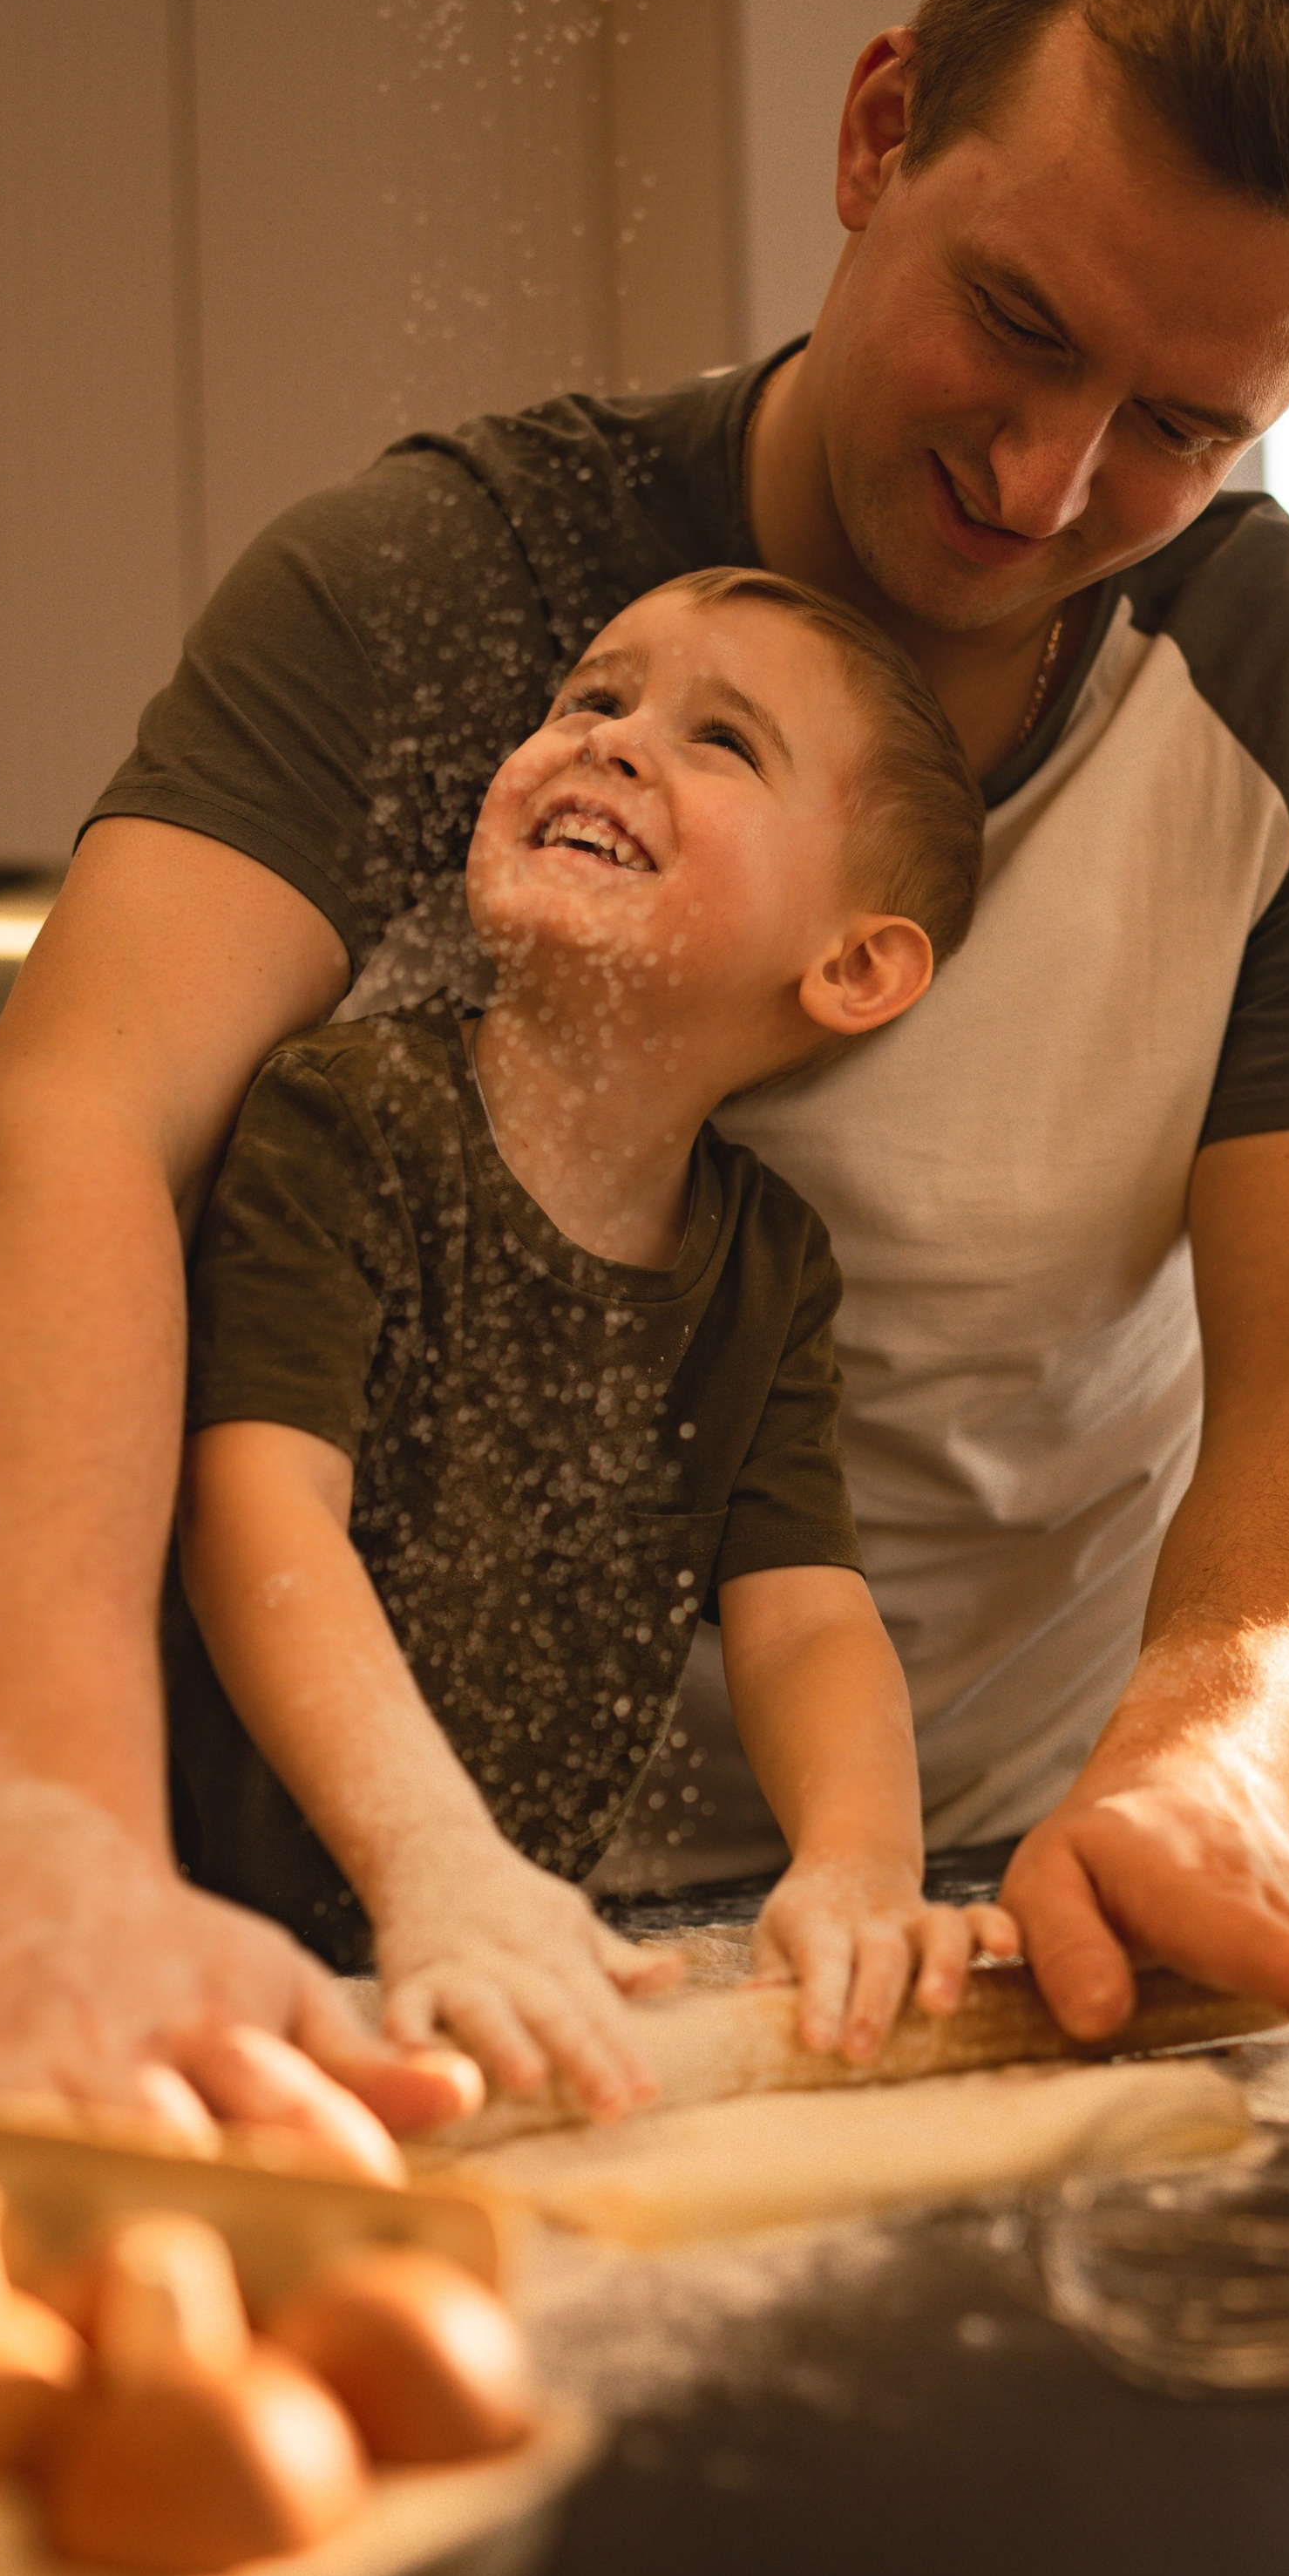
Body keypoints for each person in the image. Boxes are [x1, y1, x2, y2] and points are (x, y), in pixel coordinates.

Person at [0, 0, 1289, 2152]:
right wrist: (40, 1840)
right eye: (1023, 327)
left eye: (1187, 426)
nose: (1051, 483)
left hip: (939, 1949)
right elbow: (60, 1153)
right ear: (876, 138)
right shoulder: (443, 585)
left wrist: (1204, 1762)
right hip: (332, 1943)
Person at [165, 567, 1014, 2123]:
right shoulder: (348, 1121)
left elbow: (806, 1622)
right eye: (592, 699)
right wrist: (436, 1860)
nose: (614, 742)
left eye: (722, 741)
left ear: (851, 967)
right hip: (180, 1980)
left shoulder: (768, 1269)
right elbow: (257, 1520)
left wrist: (858, 1867)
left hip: (474, 1989)